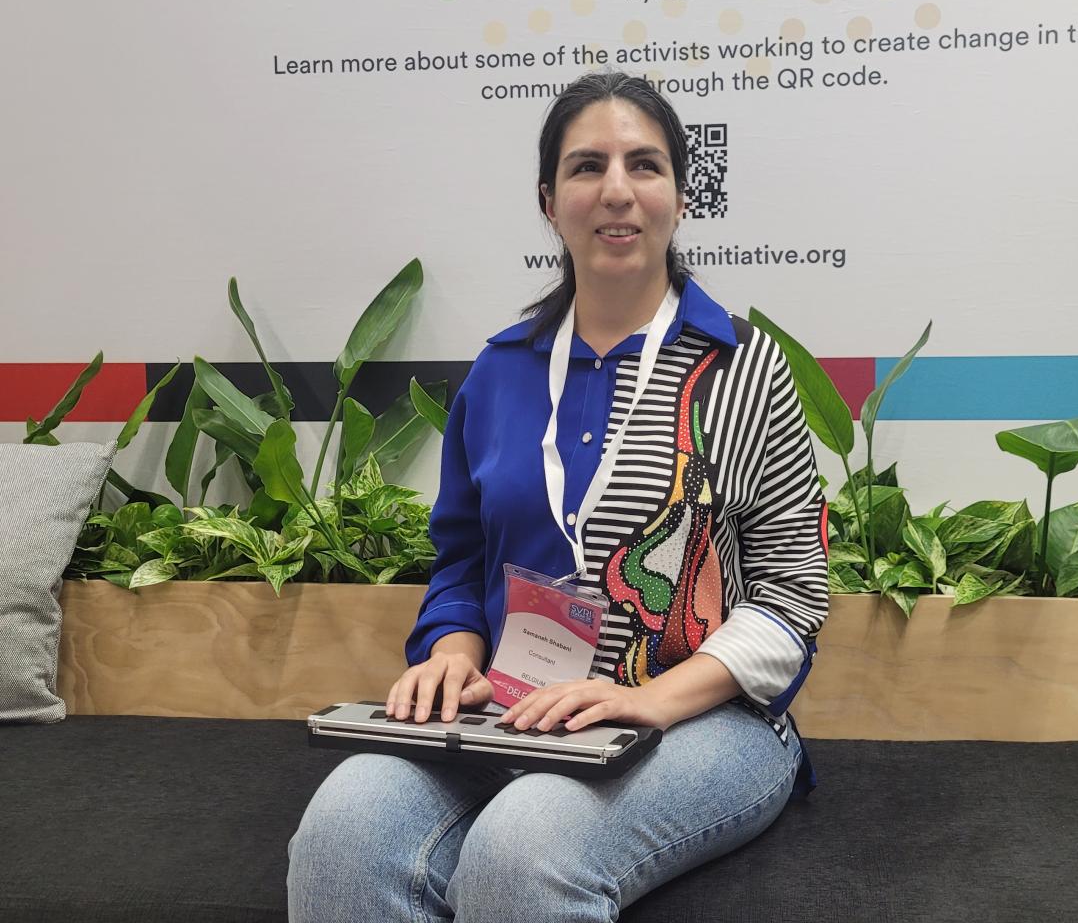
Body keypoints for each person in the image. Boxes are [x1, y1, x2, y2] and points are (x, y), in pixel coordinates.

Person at [287, 70, 829, 923]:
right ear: (549, 200)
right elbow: (461, 561)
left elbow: (793, 597)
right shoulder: (499, 370)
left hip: (705, 721)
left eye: (644, 165)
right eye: (587, 167)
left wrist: (646, 700)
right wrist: (455, 651)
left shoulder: (747, 370)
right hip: (514, 712)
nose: (617, 190)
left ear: (680, 194)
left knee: (524, 848)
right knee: (342, 829)